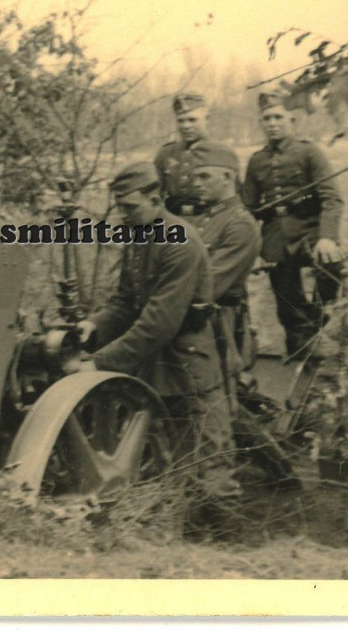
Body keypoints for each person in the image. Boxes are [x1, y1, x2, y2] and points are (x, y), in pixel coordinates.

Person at [73, 162, 234, 496]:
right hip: (158, 370)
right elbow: (125, 302)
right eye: (120, 208)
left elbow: (157, 324)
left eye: (130, 207)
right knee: (170, 469)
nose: (124, 215)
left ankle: (228, 545)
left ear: (155, 199)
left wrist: (98, 362)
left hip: (190, 372)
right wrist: (93, 324)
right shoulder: (140, 237)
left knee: (210, 472)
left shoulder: (180, 244)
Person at [242, 92, 344, 358]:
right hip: (276, 234)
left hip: (310, 228)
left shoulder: (309, 152)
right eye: (267, 118)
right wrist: (251, 249)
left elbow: (332, 198)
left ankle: (321, 318)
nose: (272, 123)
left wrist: (328, 236)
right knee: (287, 306)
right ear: (261, 122)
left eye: (278, 117)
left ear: (292, 120)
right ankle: (299, 354)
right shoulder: (256, 161)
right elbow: (248, 209)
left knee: (330, 267)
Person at [191, 142, 262, 387]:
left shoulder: (239, 224)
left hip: (221, 326)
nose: (196, 183)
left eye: (203, 176)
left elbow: (209, 285)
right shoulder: (206, 218)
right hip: (201, 320)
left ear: (227, 177)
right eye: (195, 177)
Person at [154, 92, 238, 217]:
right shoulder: (165, 154)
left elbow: (233, 199)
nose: (186, 126)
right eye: (181, 121)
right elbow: (155, 195)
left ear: (207, 119)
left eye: (192, 120)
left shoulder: (221, 153)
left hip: (209, 221)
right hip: (174, 224)